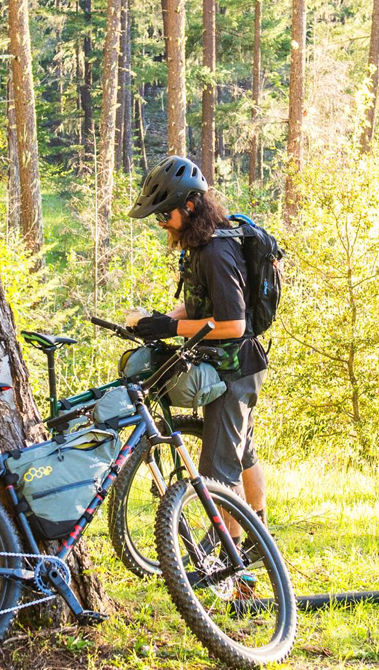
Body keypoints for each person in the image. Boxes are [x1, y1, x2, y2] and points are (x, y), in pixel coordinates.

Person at [126, 155, 269, 536]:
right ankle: (259, 540)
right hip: (233, 366)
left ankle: (233, 563)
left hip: (235, 369)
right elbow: (201, 305)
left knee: (218, 473)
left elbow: (233, 324)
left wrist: (172, 326)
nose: (161, 224)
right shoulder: (200, 245)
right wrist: (157, 321)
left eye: (165, 215)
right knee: (244, 454)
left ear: (189, 206)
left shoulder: (217, 253)